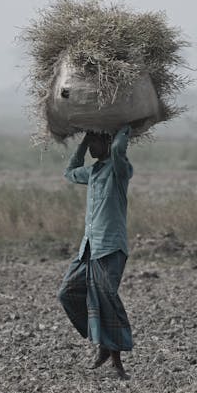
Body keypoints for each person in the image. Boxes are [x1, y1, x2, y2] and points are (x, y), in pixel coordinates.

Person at [57, 125, 134, 379]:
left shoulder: (120, 169)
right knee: (68, 292)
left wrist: (124, 127)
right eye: (90, 143)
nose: (91, 147)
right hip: (89, 247)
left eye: (95, 142)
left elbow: (118, 149)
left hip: (110, 247)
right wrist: (85, 140)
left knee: (106, 298)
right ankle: (102, 340)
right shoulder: (93, 172)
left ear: (108, 141)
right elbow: (69, 173)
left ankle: (116, 364)